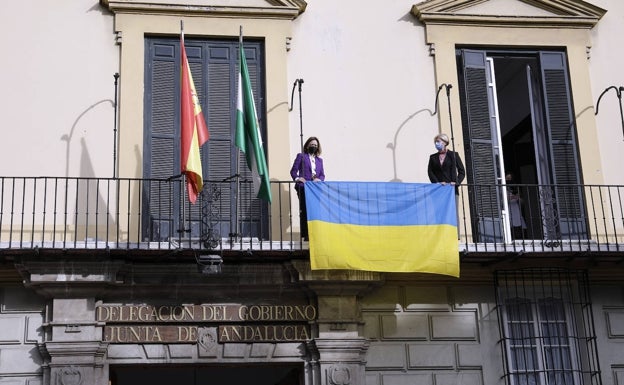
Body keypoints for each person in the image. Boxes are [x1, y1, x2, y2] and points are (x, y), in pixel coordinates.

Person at [290, 137, 325, 240]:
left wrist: (319, 179)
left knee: (314, 210)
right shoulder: (301, 156)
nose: (313, 146)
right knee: (305, 210)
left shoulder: (320, 160)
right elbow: (293, 171)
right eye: (312, 144)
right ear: (307, 145)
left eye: (315, 145)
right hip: (304, 187)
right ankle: (306, 235)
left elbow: (322, 175)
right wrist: (297, 178)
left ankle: (314, 233)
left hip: (315, 189)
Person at [506, 172, 527, 239]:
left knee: (518, 226)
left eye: (510, 178)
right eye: (507, 178)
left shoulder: (515, 188)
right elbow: (501, 200)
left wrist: (518, 198)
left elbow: (522, 202)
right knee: (509, 225)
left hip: (516, 209)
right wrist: (511, 198)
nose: (509, 180)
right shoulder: (502, 188)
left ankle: (520, 238)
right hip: (507, 209)